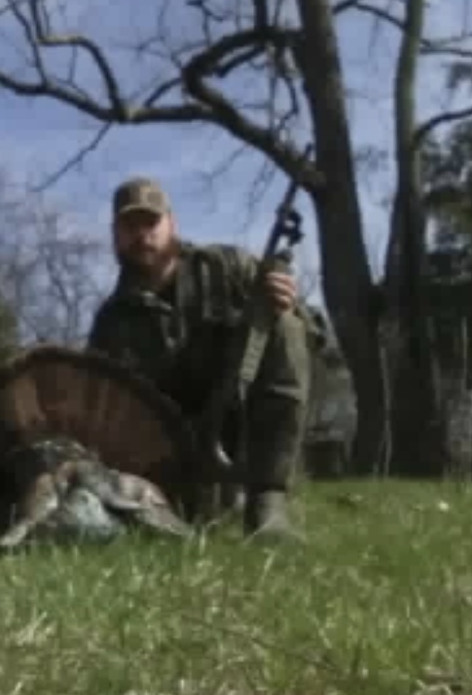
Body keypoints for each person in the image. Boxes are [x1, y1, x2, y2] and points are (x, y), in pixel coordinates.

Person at [86, 176, 313, 542]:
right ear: (115, 235)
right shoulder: (110, 324)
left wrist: (288, 304)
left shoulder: (231, 267)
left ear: (171, 224)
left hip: (243, 442)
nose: (142, 234)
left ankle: (268, 507)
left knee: (286, 325)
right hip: (169, 465)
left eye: (151, 222)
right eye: (129, 225)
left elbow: (316, 336)